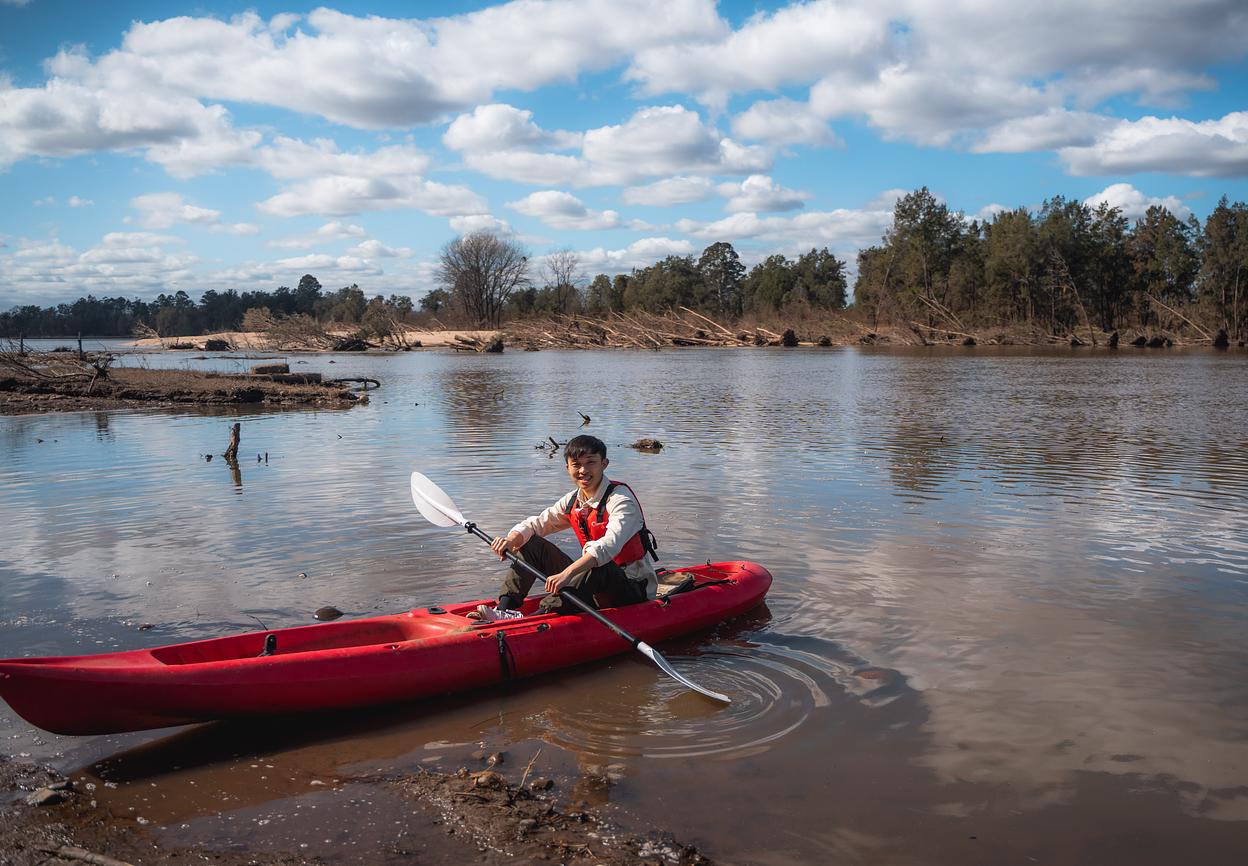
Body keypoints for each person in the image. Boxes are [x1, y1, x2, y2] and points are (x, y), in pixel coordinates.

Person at [473, 435, 659, 620]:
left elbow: (608, 546)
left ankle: (534, 619)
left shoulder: (621, 501)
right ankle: (504, 610)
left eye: (591, 462)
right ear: (568, 467)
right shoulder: (573, 501)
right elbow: (536, 524)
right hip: (593, 579)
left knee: (598, 565)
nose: (583, 470)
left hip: (633, 588)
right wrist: (510, 541)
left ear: (604, 463)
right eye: (576, 464)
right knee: (531, 544)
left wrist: (567, 574)